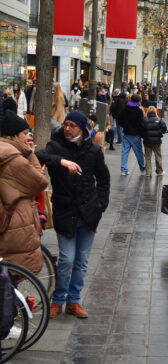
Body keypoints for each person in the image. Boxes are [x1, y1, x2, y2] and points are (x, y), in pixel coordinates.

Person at [36, 111, 110, 319]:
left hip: (88, 213)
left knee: (82, 261)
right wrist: (61, 161)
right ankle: (58, 300)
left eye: (72, 126)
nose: (67, 129)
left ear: (82, 128)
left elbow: (103, 179)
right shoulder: (56, 145)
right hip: (65, 212)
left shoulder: (93, 150)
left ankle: (73, 300)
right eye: (65, 124)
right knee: (67, 259)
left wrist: (101, 205)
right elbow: (38, 156)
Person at [0, 110, 48, 274]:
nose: (28, 137)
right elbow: (39, 182)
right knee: (14, 274)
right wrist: (31, 155)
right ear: (14, 136)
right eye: (25, 133)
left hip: (5, 219)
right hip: (14, 223)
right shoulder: (15, 159)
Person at [117, 94, 146, 176]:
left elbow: (119, 120)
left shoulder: (125, 109)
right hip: (136, 134)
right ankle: (142, 168)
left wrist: (125, 126)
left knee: (125, 152)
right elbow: (141, 122)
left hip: (126, 133)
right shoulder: (139, 110)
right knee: (138, 152)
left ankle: (123, 169)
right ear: (138, 101)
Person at [141, 106, 167, 177]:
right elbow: (164, 128)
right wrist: (161, 132)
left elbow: (141, 130)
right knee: (158, 155)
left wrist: (144, 136)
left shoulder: (145, 120)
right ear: (155, 112)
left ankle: (148, 172)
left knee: (147, 156)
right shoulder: (159, 120)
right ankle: (159, 171)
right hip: (157, 141)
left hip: (147, 141)